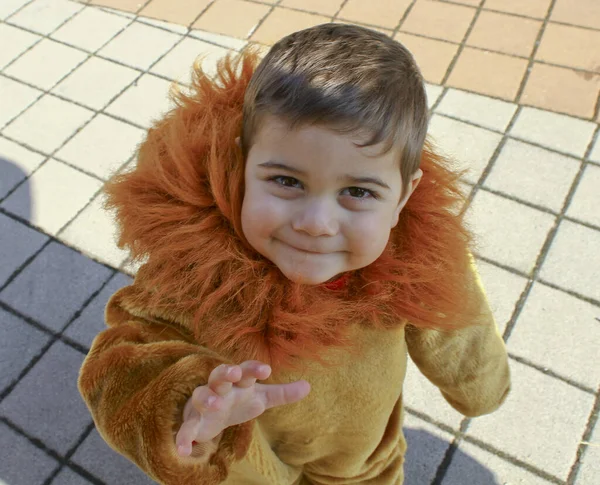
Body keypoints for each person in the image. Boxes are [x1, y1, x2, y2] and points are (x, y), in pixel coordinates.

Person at [78, 23, 510, 485]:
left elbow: (461, 332)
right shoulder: (196, 270)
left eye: (359, 191)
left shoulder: (418, 263)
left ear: (404, 196)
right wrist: (184, 407)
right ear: (243, 164)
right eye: (286, 181)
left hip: (363, 466)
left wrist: (481, 386)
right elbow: (120, 362)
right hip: (246, 468)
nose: (315, 222)